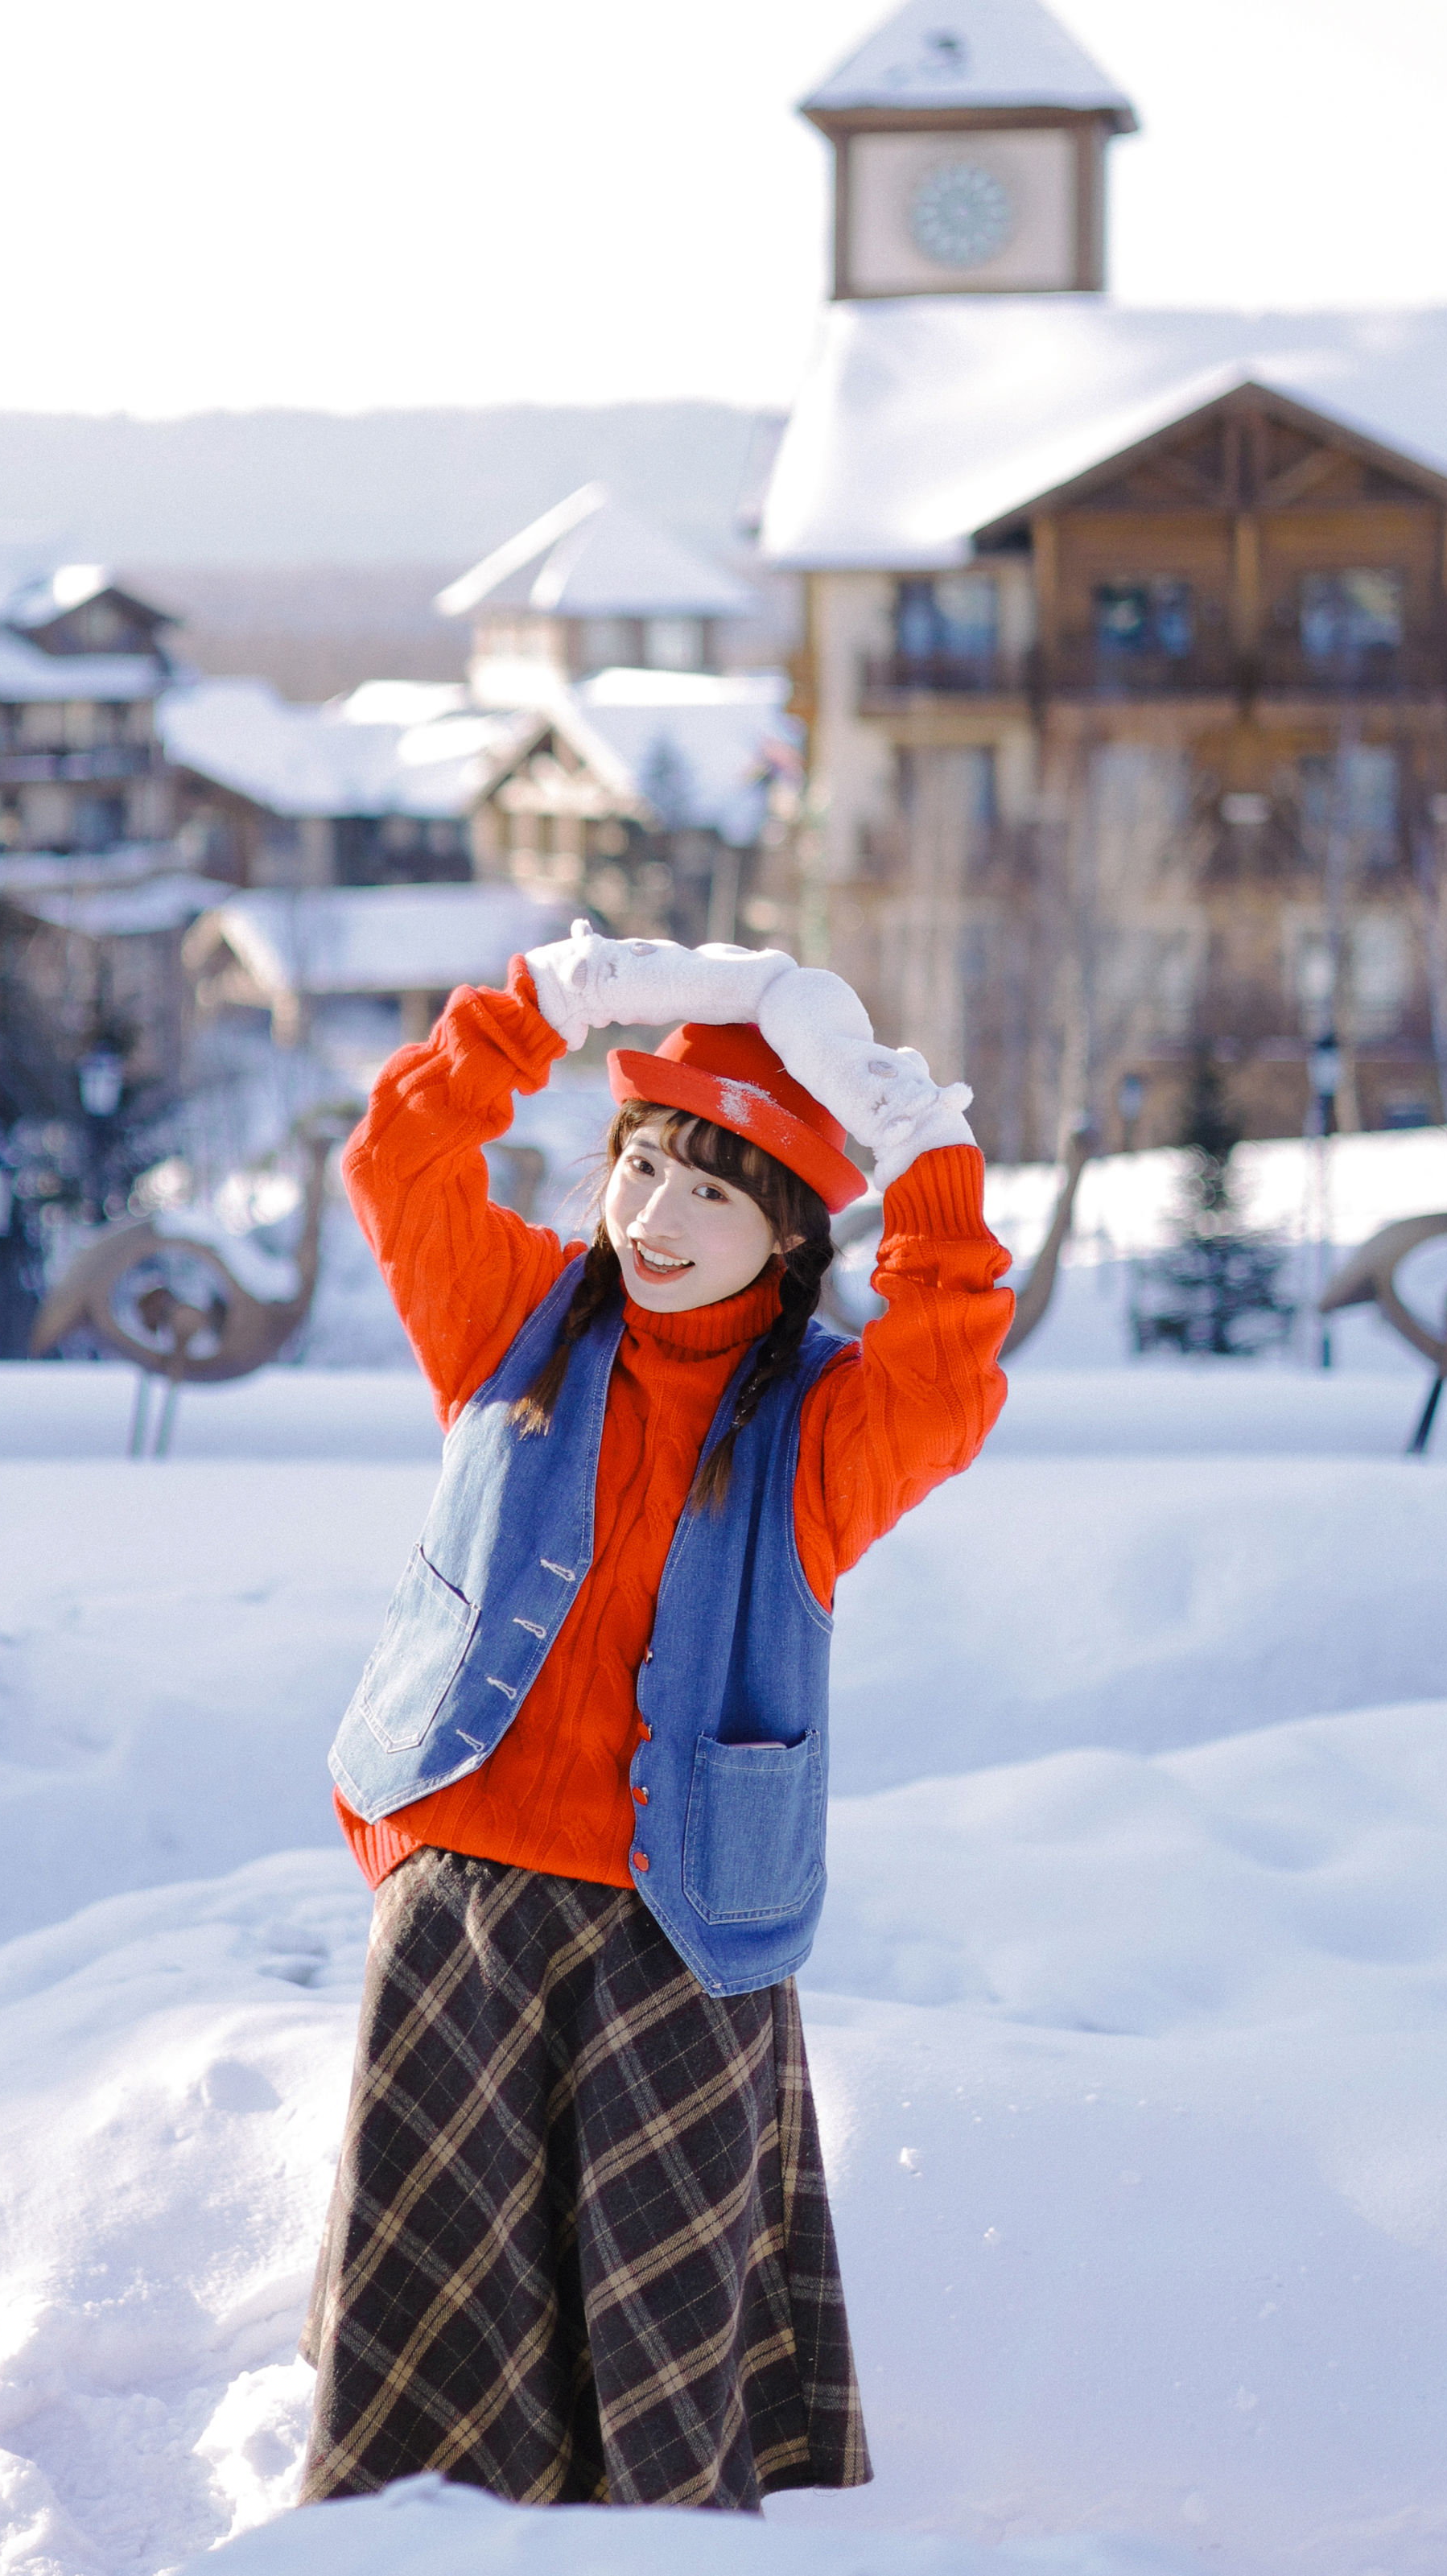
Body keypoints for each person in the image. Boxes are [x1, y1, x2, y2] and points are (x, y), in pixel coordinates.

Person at [297, 924, 1012, 2512]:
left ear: (793, 1234)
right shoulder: (519, 1318)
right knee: (439, 2316)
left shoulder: (825, 1429)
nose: (658, 1220)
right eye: (641, 1172)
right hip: (464, 1896)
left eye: (716, 1192)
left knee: (656, 2332)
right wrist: (542, 1006)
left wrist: (928, 1148)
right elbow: (402, 1161)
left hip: (677, 1922)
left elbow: (956, 1368)